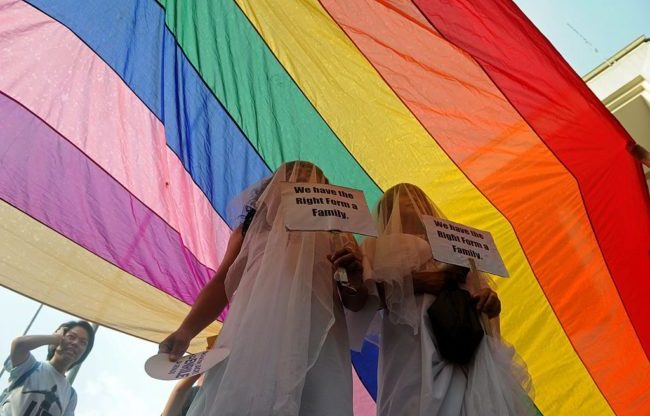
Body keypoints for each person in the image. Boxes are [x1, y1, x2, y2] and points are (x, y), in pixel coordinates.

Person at [159, 161, 368, 416]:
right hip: (255, 330)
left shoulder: (341, 235)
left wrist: (355, 278)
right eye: (293, 178)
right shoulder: (249, 231)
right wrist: (186, 329)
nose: (306, 184)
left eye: (317, 181)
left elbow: (355, 303)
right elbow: (221, 284)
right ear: (273, 188)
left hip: (320, 338)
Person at [363, 183, 534, 416]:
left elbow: (479, 299)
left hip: (464, 357)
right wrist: (418, 282)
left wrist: (487, 303)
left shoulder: (453, 248)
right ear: (388, 211)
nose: (414, 202)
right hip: (413, 354)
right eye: (403, 199)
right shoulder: (376, 249)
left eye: (419, 197)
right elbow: (364, 299)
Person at [1, 320, 95, 416]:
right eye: (71, 337)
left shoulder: (70, 395)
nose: (76, 343)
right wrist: (54, 338)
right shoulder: (30, 366)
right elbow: (19, 344)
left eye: (83, 343)